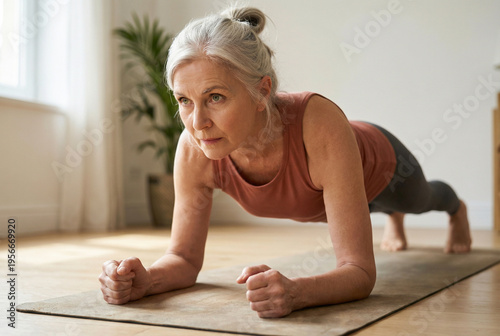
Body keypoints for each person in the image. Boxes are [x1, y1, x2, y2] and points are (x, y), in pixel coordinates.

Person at [99, 6, 472, 318]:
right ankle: (392, 219)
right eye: (184, 100)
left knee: (422, 201)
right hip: (332, 187)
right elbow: (181, 258)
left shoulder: (320, 124)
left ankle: (456, 209)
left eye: (215, 97)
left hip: (384, 168)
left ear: (261, 91)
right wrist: (147, 280)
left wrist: (296, 292)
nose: (197, 123)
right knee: (366, 211)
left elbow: (359, 272)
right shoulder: (195, 147)